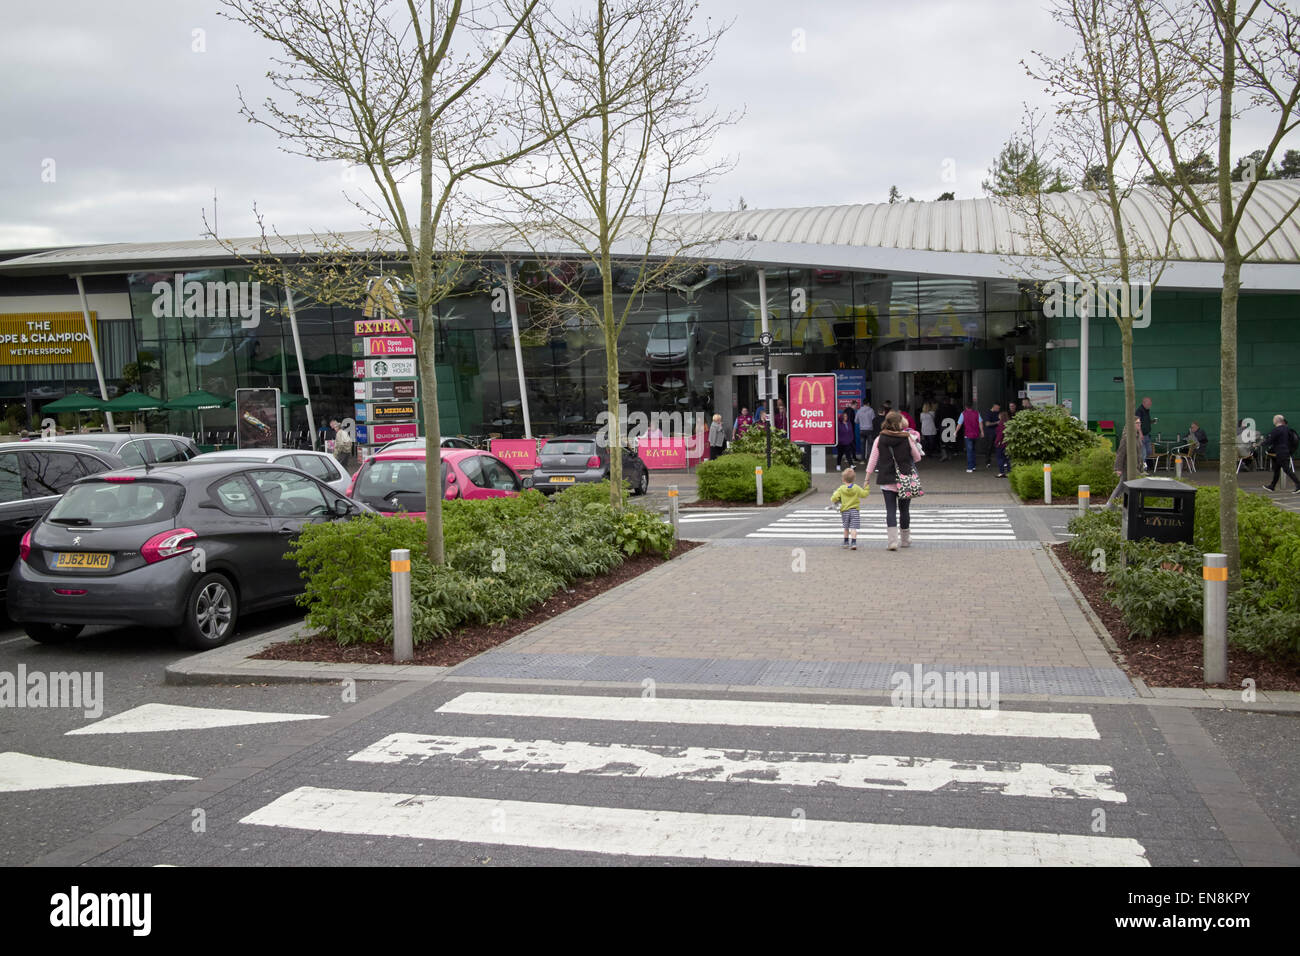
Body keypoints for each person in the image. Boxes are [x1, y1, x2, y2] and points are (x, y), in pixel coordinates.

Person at [866, 411, 923, 550]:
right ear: (899, 423)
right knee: (904, 510)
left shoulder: (880, 439)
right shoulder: (907, 437)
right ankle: (905, 540)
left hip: (887, 479)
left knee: (890, 511)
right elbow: (917, 457)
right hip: (905, 479)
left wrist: (867, 478)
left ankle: (892, 542)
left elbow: (873, 460)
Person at [1106, 417, 1143, 509]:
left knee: (1128, 487)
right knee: (1121, 487)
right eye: (1137, 423)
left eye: (1139, 423)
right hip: (1127, 466)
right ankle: (1110, 506)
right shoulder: (1127, 437)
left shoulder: (1137, 436)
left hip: (1135, 467)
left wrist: (1141, 465)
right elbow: (1121, 452)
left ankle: (1128, 506)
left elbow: (1139, 453)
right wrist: (1118, 468)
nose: (1139, 425)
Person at [830, 466, 868, 550]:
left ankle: (846, 542)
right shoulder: (856, 488)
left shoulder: (841, 489)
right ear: (853, 479)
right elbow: (864, 494)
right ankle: (853, 543)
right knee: (853, 528)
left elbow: (833, 498)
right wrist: (867, 487)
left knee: (846, 527)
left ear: (843, 479)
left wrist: (835, 497)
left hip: (845, 511)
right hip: (855, 510)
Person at [1261, 414, 1300, 493]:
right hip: (1285, 451)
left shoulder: (1276, 430)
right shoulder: (1287, 429)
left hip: (1280, 452)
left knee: (1286, 470)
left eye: (1274, 419)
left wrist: (1260, 444)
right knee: (1277, 469)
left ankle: (1299, 485)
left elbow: (1269, 441)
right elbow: (1293, 439)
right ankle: (1272, 486)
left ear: (1276, 421)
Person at [959, 400, 983, 473]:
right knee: (973, 450)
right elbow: (980, 422)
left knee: (969, 451)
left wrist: (956, 431)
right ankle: (974, 466)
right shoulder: (977, 413)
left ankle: (970, 467)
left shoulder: (963, 414)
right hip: (976, 434)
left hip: (968, 434)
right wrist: (982, 431)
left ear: (966, 407)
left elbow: (959, 424)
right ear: (972, 406)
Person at [1137, 396, 1155, 471]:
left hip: (1147, 435)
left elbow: (1144, 422)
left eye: (1150, 403)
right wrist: (1140, 433)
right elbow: (1137, 423)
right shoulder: (1139, 411)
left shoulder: (1147, 410)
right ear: (1144, 403)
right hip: (1141, 435)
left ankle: (1142, 465)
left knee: (1149, 451)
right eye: (1149, 403)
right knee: (1143, 453)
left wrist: (1151, 421)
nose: (1150, 405)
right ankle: (1142, 469)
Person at [981, 403, 1001, 468]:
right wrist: (997, 422)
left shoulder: (998, 413)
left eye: (999, 408)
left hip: (997, 433)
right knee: (989, 447)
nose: (998, 410)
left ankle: (1000, 461)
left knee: (999, 446)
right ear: (994, 407)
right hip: (990, 433)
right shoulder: (988, 413)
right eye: (997, 408)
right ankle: (988, 462)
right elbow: (987, 424)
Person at [994, 410, 1010, 477]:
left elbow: (1000, 435)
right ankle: (1009, 472)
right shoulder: (1008, 423)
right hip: (1007, 444)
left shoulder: (1001, 424)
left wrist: (997, 442)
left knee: (1000, 458)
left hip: (1001, 444)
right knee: (1007, 459)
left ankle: (1001, 472)